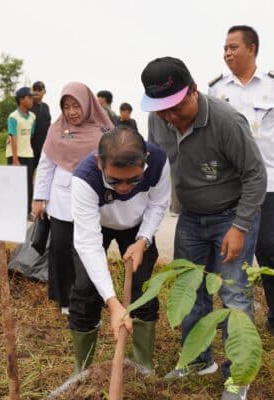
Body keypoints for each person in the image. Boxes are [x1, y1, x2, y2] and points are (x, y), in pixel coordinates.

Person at [143, 56, 266, 400]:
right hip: (191, 219)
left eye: (176, 107)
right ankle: (198, 360)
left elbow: (256, 175)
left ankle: (238, 375)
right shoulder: (157, 121)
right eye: (161, 109)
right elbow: (155, 166)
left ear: (194, 90)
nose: (169, 117)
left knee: (233, 292)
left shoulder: (226, 122)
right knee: (190, 288)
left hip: (232, 215)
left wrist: (240, 227)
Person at [208, 25, 274, 340]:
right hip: (228, 187)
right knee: (228, 252)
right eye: (225, 48)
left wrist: (261, 159)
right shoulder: (217, 90)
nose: (227, 53)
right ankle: (230, 315)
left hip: (267, 185)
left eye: (233, 47)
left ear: (252, 49)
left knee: (270, 249)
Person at [68, 126, 170, 374]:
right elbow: (89, 244)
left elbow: (158, 203)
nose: (124, 188)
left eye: (134, 179)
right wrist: (112, 302)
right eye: (114, 181)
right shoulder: (84, 177)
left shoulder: (158, 161)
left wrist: (143, 240)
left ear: (145, 159)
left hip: (137, 228)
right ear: (99, 162)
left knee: (142, 288)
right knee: (84, 289)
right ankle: (82, 370)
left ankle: (142, 364)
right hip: (98, 225)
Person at [31, 82, 113, 315]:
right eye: (66, 107)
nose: (72, 112)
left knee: (91, 248)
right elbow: (46, 166)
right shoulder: (57, 129)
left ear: (87, 104)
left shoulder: (104, 129)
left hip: (93, 199)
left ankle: (91, 296)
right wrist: (39, 198)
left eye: (76, 105)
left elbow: (113, 159)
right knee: (61, 249)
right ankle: (65, 299)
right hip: (61, 201)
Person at [7, 87, 36, 213]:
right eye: (29, 97)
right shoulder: (13, 117)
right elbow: (13, 136)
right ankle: (14, 212)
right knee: (15, 185)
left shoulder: (33, 117)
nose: (32, 100)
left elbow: (31, 134)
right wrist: (15, 158)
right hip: (15, 155)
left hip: (28, 154)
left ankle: (27, 212)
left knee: (28, 184)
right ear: (21, 99)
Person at [31, 81, 51, 178]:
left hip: (44, 145)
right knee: (29, 172)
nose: (37, 92)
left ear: (44, 92)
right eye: (35, 90)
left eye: (39, 90)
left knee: (43, 173)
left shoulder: (46, 107)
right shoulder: (29, 106)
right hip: (30, 145)